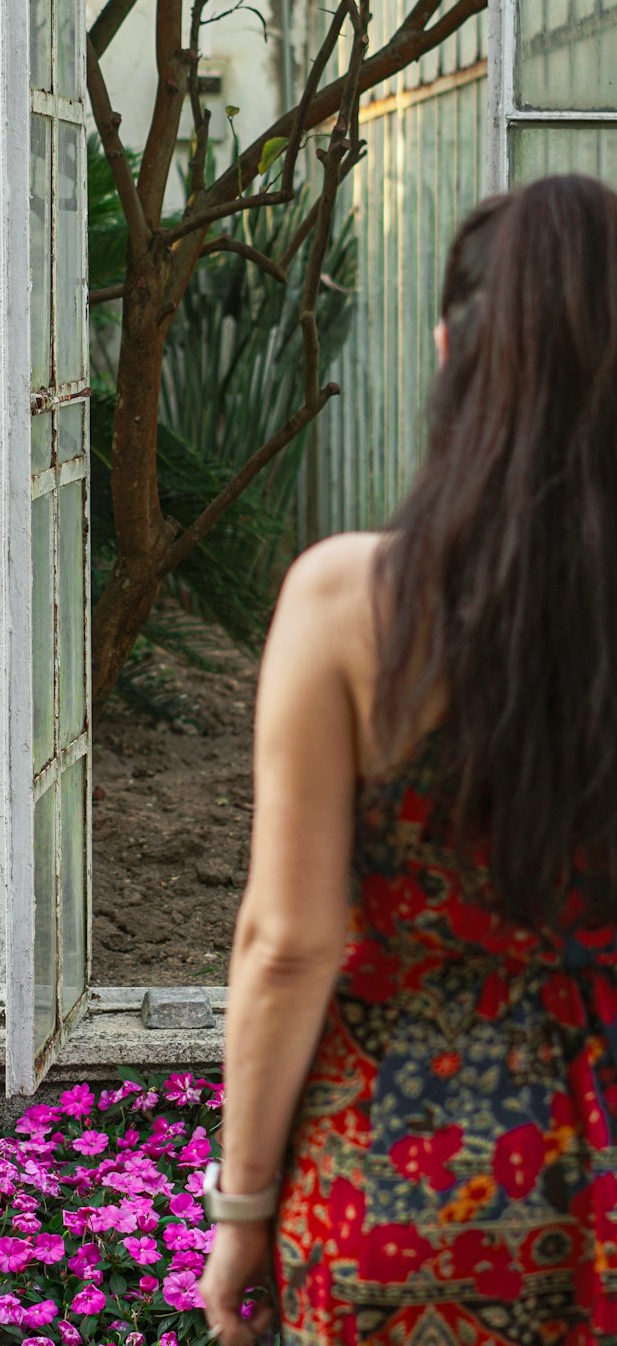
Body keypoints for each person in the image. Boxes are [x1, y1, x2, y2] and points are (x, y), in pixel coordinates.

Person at [199, 174, 617, 1345]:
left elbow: (289, 942)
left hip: (405, 1185)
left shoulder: (349, 603)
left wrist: (240, 1209)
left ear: (447, 350)